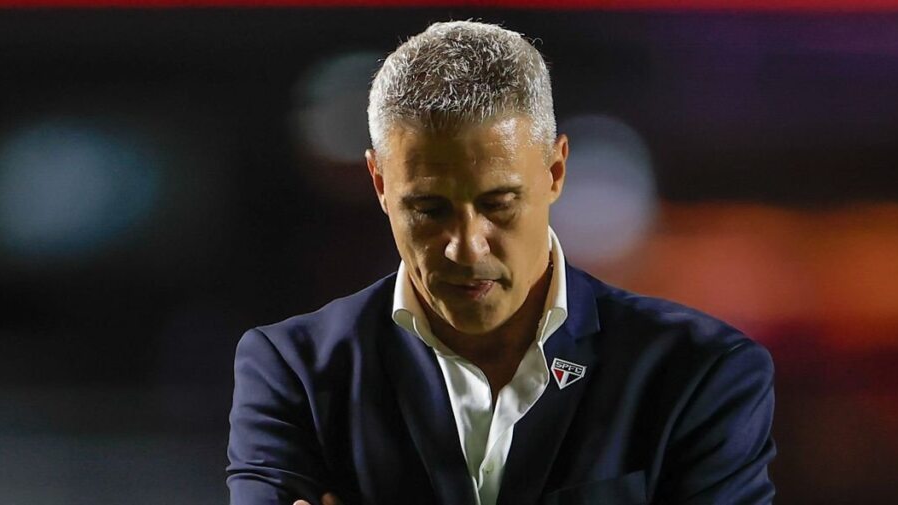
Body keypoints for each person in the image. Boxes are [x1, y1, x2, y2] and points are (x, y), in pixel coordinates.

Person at [227, 20, 776, 505]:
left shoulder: (702, 374)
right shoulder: (292, 373)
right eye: (428, 209)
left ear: (556, 172)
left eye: (498, 204)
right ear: (379, 184)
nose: (466, 247)